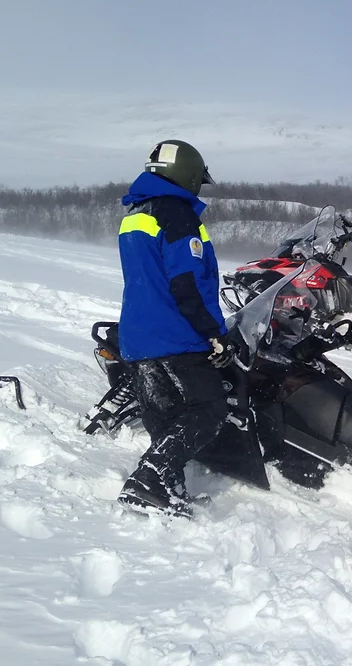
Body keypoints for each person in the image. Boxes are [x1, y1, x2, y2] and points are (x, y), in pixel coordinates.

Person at [116, 139, 238, 518]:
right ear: (186, 177)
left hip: (138, 336)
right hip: (176, 335)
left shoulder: (138, 213)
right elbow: (187, 285)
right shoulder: (178, 216)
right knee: (210, 409)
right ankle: (147, 481)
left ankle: (167, 490)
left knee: (166, 418)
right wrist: (215, 334)